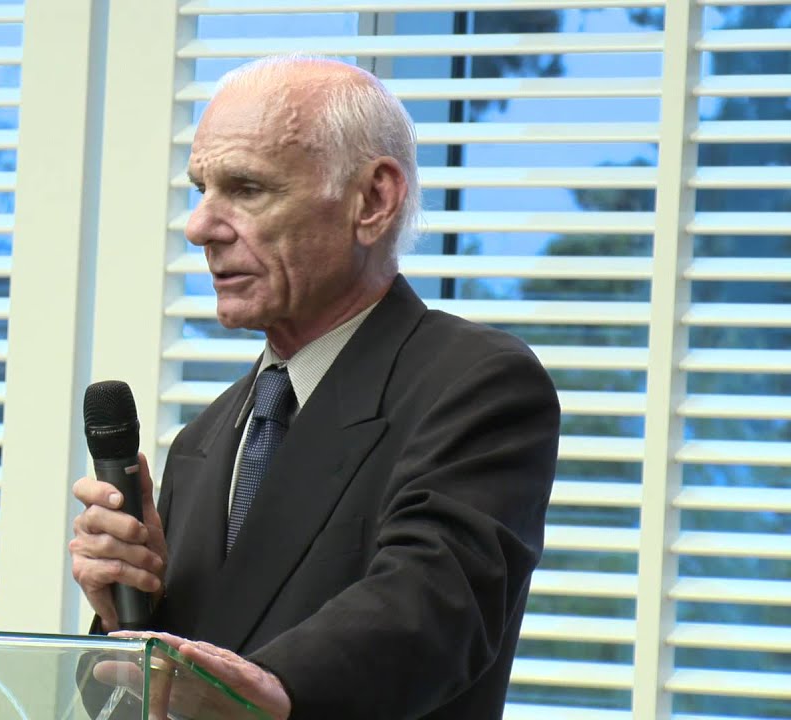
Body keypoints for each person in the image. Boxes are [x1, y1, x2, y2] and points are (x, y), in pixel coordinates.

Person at [69, 55, 560, 719]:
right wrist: (128, 610)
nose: (200, 226)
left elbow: (433, 607)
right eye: (202, 189)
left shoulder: (475, 384)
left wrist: (275, 689)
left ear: (373, 201)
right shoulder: (204, 441)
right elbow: (154, 693)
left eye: (246, 188)